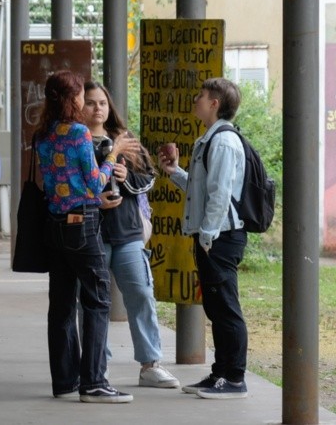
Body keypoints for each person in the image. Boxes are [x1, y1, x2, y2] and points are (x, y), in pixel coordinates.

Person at [35, 70, 139, 403]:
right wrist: (115, 151)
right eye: (80, 94)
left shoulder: (44, 133)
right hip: (82, 224)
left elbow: (59, 182)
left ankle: (65, 380)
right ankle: (93, 381)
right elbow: (95, 183)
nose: (84, 100)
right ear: (73, 98)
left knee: (62, 305)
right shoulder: (79, 133)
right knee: (97, 299)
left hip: (54, 224)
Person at [83, 81, 180, 388]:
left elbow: (149, 178)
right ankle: (97, 364)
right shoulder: (75, 140)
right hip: (91, 233)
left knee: (140, 294)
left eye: (102, 102)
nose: (97, 108)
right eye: (90, 102)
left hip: (126, 233)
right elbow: (67, 187)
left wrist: (126, 178)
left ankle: (150, 363)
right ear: (78, 106)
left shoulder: (124, 139)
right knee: (90, 302)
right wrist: (93, 197)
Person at [158, 77, 248, 399]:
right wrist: (176, 173)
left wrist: (207, 238)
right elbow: (202, 192)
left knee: (225, 308)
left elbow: (221, 195)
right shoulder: (208, 140)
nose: (195, 98)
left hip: (220, 237)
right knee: (216, 306)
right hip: (213, 237)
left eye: (201, 95)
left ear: (214, 103)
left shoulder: (222, 141)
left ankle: (234, 378)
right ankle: (220, 374)